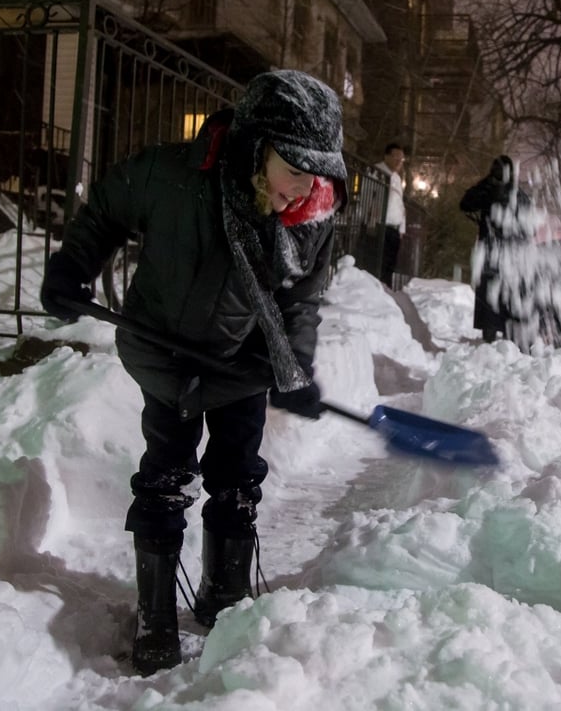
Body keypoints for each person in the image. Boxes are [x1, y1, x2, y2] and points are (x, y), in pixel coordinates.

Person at [39, 70, 347, 676]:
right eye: (295, 171)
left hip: (244, 364)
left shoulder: (311, 213)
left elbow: (301, 301)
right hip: (169, 357)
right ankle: (156, 619)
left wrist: (296, 367)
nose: (303, 189)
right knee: (166, 474)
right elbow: (105, 207)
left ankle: (225, 600)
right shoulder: (175, 176)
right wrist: (70, 269)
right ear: (260, 145)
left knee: (236, 476)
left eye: (316, 175)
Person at [460, 155, 533, 346]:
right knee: (492, 291)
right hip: (494, 251)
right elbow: (466, 203)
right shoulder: (492, 190)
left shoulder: (516, 194)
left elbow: (528, 226)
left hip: (506, 253)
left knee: (503, 291)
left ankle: (504, 332)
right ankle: (494, 332)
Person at [372, 142, 406, 287]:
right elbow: (369, 199)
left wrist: (402, 228)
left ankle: (386, 289)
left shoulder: (397, 178)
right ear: (386, 156)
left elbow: (400, 204)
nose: (399, 161)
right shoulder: (376, 172)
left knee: (390, 263)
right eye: (396, 157)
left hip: (394, 227)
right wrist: (370, 222)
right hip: (380, 225)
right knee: (379, 262)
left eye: (401, 159)